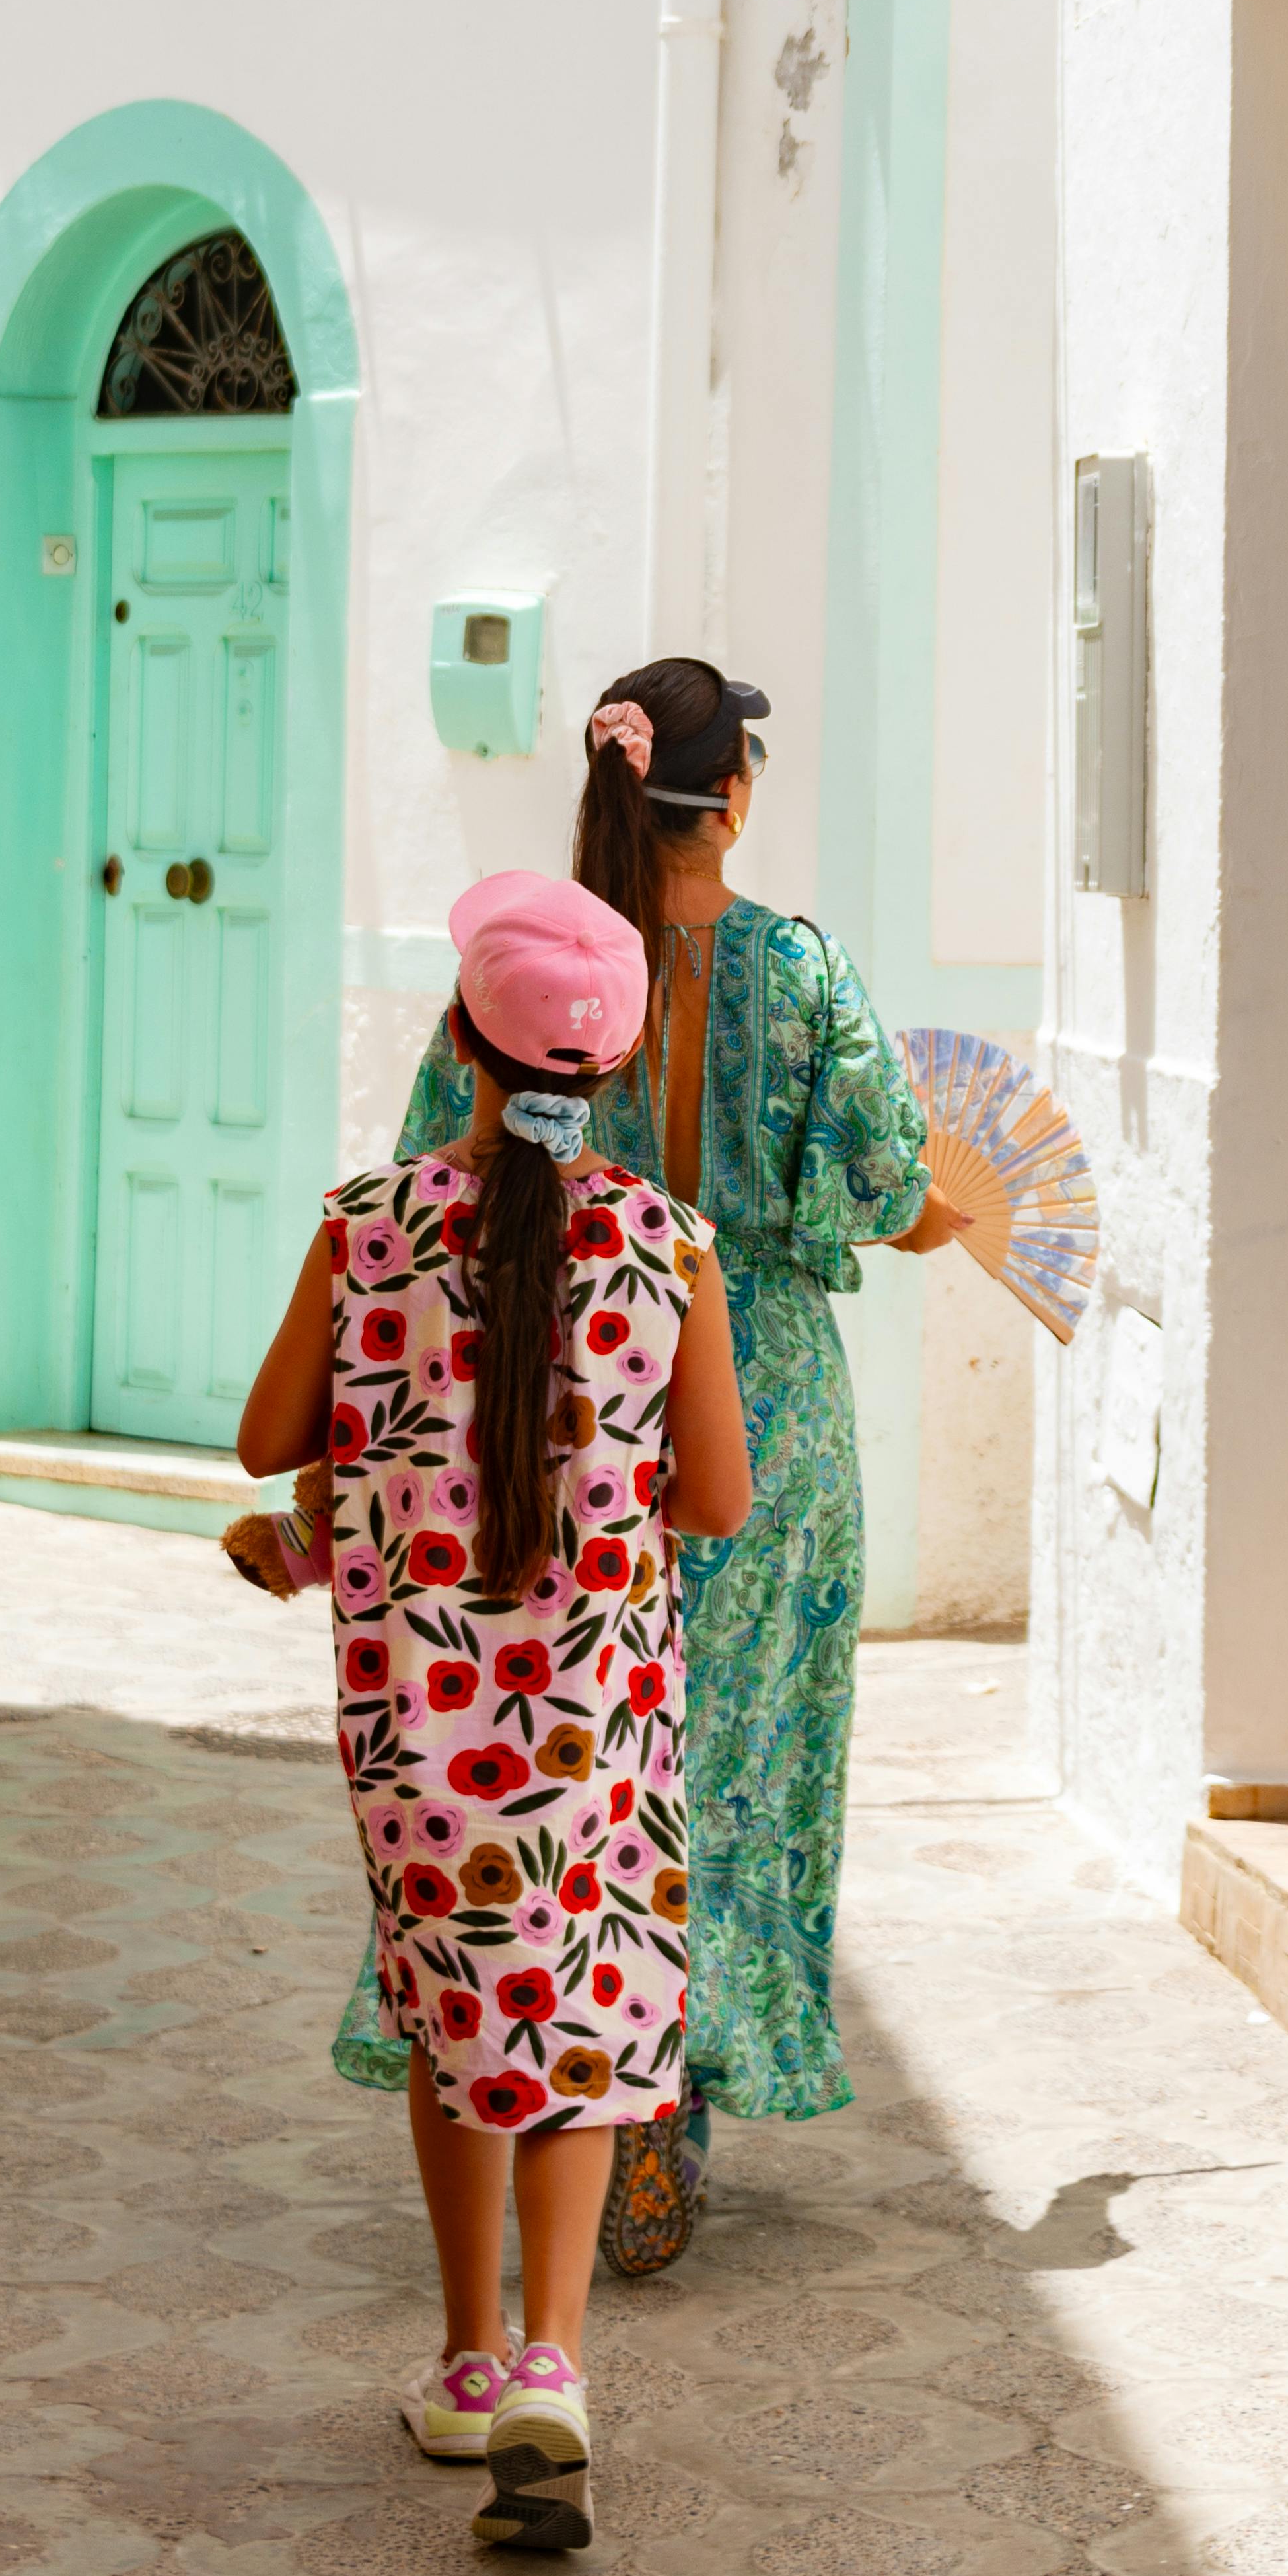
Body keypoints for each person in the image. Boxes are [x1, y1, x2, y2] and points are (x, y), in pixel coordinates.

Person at [236, 867, 750, 2555]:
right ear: (603, 1071)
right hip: (594, 1725)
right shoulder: (668, 1250)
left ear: (462, 1037)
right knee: (582, 2021)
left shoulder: (365, 1226)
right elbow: (720, 1501)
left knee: (452, 2010)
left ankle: (464, 2363)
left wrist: (321, 1524)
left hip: (418, 1737)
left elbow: (269, 1435)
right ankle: (556, 2358)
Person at [558, 655, 968, 2270]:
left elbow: (435, 1145)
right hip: (768, 1407)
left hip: (582, 1378)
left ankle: (576, 2088)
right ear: (728, 793)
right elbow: (889, 1187)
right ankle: (670, 2120)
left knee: (583, 1756)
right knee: (730, 1770)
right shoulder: (799, 972)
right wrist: (953, 1209)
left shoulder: (545, 966)